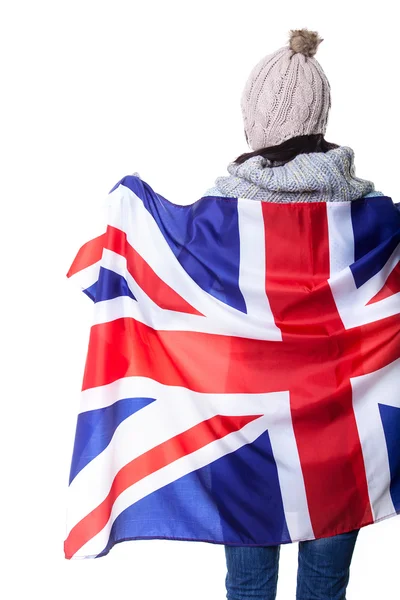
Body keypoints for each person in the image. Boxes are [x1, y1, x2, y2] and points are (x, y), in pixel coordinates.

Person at [203, 28, 382, 600]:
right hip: (339, 428)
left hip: (246, 427)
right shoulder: (372, 221)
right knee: (326, 588)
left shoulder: (217, 218)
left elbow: (177, 293)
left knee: (249, 586)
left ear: (255, 121)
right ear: (321, 120)